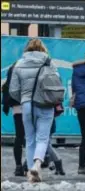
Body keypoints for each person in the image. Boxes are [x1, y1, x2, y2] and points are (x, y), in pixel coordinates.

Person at [9, 38, 56, 182]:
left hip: (27, 104)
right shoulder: (49, 62)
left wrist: (24, 98)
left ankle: (31, 172)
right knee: (42, 138)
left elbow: (13, 90)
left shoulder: (19, 64)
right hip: (45, 104)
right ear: (43, 49)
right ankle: (37, 164)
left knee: (29, 139)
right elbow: (56, 83)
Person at [2, 61, 26, 177]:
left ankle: (18, 167)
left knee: (19, 136)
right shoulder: (30, 66)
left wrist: (7, 104)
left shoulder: (13, 67)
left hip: (16, 105)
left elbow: (6, 86)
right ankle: (30, 164)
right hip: (30, 104)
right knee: (33, 137)